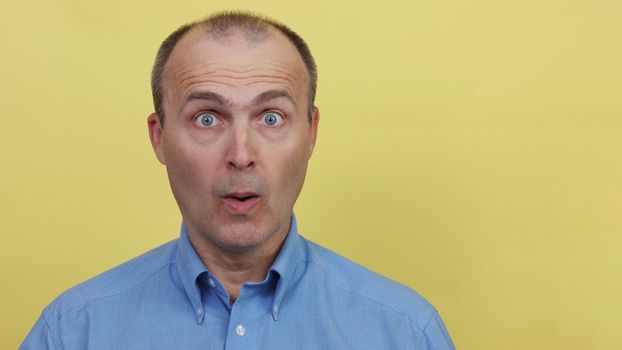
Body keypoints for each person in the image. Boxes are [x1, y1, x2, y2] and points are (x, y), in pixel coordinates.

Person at [21, 11, 455, 349]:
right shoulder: (72, 332)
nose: (241, 155)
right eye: (207, 118)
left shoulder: (404, 332)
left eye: (271, 117)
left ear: (311, 132)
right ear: (159, 137)